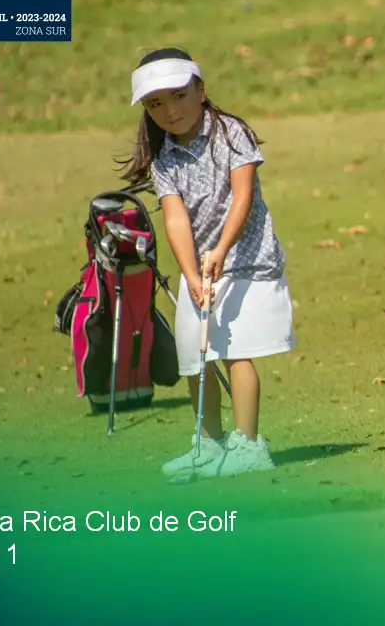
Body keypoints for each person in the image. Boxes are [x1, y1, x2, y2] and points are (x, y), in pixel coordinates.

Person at [118, 46, 296, 479]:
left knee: (236, 352)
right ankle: (210, 445)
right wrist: (191, 273)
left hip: (246, 259)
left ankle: (249, 445)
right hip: (200, 267)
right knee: (195, 360)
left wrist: (220, 249)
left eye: (179, 96)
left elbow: (242, 197)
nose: (170, 111)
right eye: (155, 104)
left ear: (200, 89)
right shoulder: (164, 156)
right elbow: (176, 219)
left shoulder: (232, 133)